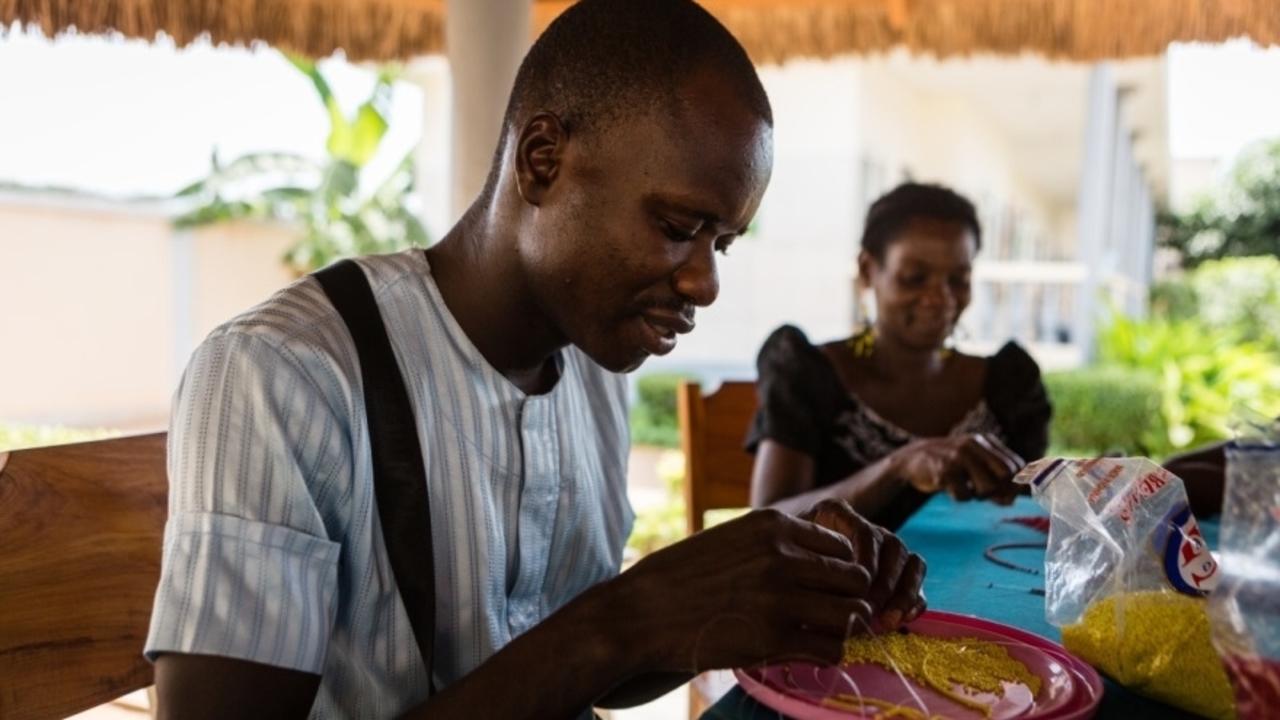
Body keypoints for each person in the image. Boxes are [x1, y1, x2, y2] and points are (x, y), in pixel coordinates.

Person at [144, 2, 927, 719]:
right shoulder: (285, 374)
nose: (705, 283)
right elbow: (598, 640)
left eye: (720, 243)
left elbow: (585, 664)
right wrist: (627, 620)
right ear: (543, 159)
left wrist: (745, 587)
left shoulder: (592, 365)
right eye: (677, 226)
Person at [746, 182, 1052, 530]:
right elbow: (768, 522)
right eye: (914, 278)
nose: (941, 298)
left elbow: (1034, 509)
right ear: (867, 270)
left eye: (959, 279)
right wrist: (898, 467)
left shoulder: (1008, 385)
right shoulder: (809, 375)